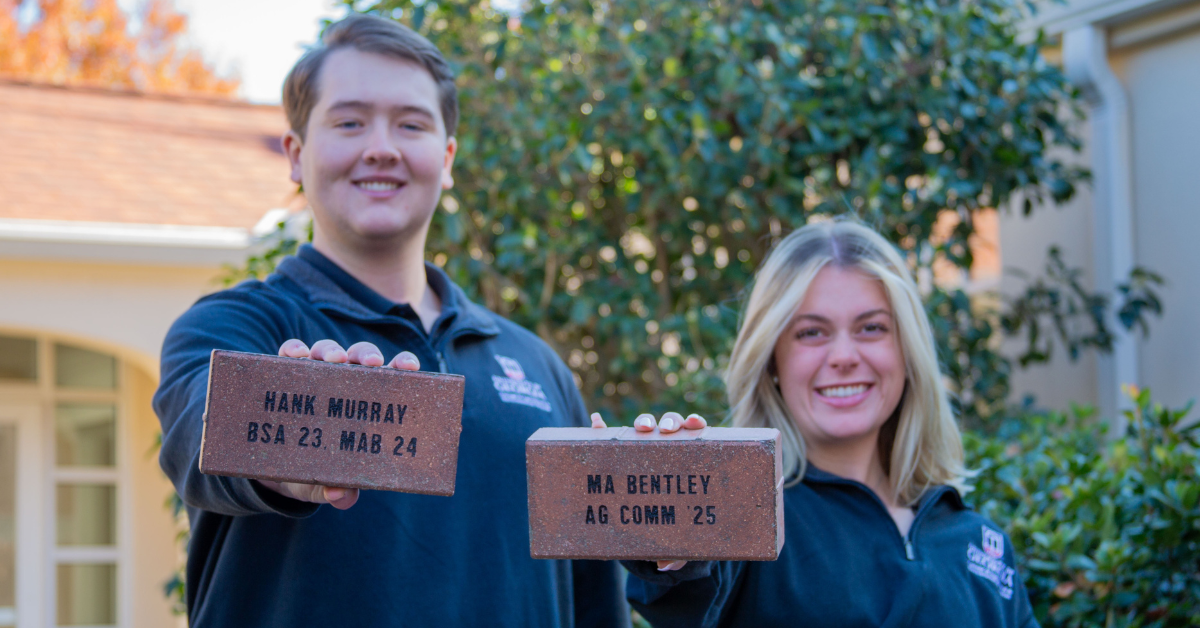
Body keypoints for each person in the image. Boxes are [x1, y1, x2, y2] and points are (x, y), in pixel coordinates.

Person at [153, 14, 627, 627]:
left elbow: (595, 598)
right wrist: (285, 447)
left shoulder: (538, 365)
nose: (381, 147)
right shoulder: (233, 328)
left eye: (411, 124)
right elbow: (200, 434)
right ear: (296, 154)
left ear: (447, 158)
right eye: (350, 122)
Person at [601, 220, 1038, 627]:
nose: (844, 356)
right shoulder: (747, 517)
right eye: (811, 332)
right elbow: (683, 585)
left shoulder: (981, 544)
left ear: (907, 351)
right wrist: (672, 519)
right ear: (773, 360)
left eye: (871, 328)